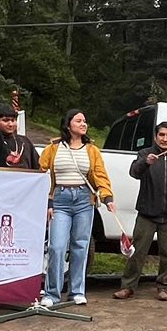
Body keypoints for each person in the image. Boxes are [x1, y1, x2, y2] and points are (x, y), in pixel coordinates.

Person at [115, 121, 167, 302]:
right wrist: (146, 162)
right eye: (161, 135)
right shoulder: (145, 154)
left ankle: (164, 287)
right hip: (147, 213)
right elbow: (134, 172)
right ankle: (127, 287)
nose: (165, 139)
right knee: (137, 253)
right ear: (155, 136)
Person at [38, 109, 113, 308]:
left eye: (85, 121)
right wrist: (48, 202)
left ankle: (77, 291)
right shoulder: (53, 148)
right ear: (68, 124)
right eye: (78, 120)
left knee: (80, 246)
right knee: (56, 247)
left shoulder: (91, 150)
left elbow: (100, 175)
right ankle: (52, 293)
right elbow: (41, 174)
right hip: (60, 199)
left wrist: (107, 196)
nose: (83, 124)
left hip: (83, 200)